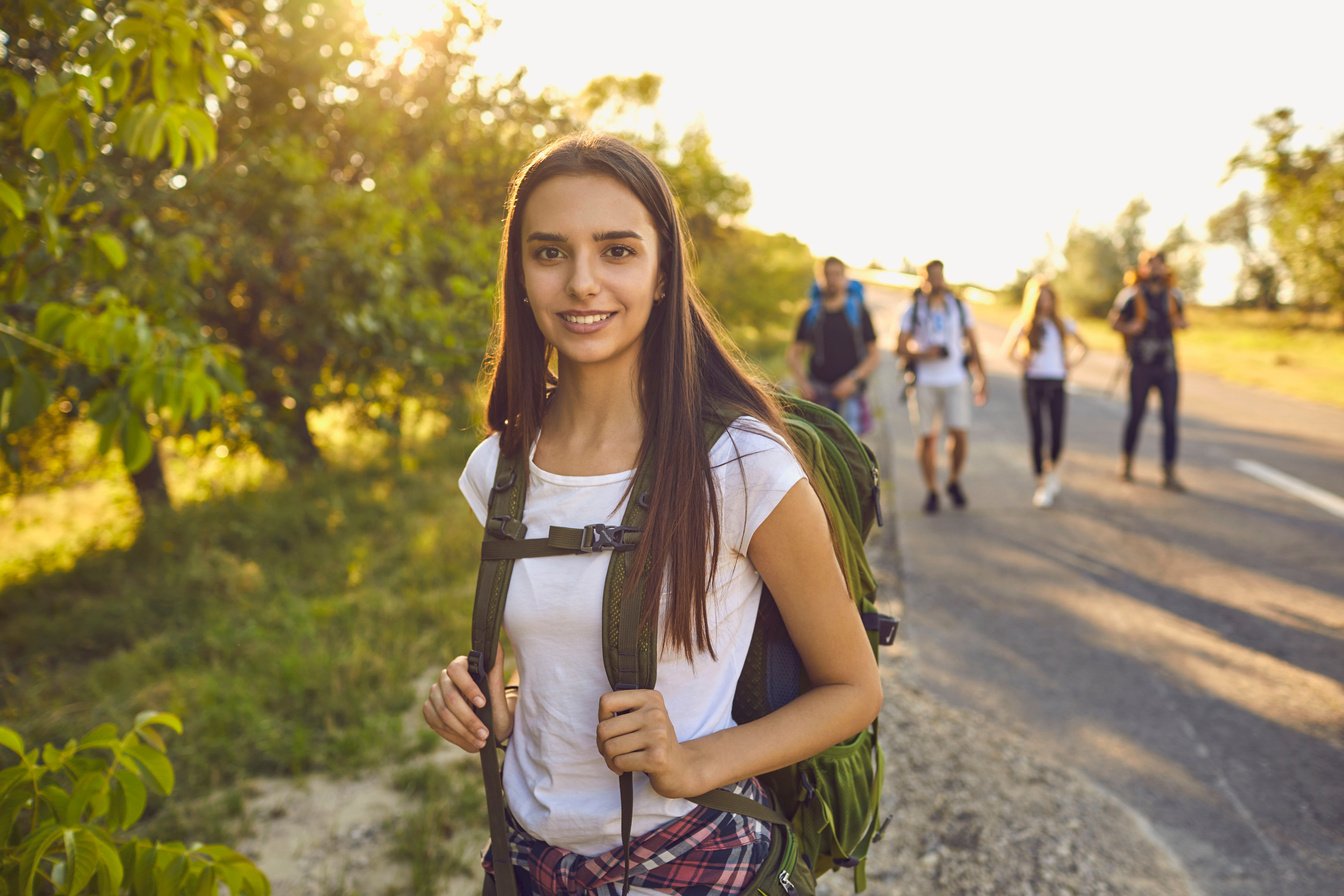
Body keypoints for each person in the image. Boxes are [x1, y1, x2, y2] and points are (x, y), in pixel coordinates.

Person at [421, 133, 882, 895]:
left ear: (663, 271)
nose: (582, 283)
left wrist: (693, 761)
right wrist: (492, 710)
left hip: (692, 855)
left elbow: (854, 689)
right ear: (521, 275)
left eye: (617, 251)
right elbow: (553, 672)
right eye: (549, 253)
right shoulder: (497, 469)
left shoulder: (740, 464)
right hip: (527, 860)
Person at [895, 260, 988, 514]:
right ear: (922, 280)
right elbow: (900, 347)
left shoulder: (958, 307)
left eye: (940, 275)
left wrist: (982, 377)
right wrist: (924, 353)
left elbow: (973, 342)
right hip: (925, 382)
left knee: (959, 433)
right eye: (931, 276)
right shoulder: (913, 309)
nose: (936, 281)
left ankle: (954, 479)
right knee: (927, 437)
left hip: (955, 379)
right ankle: (932, 489)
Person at [1002, 275, 1089, 508]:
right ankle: (1042, 481)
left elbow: (1084, 346)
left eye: (1048, 298)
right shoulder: (1025, 324)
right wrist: (1023, 361)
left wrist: (1070, 363)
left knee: (1057, 434)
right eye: (1041, 299)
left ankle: (1053, 472)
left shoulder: (1062, 324)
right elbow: (1008, 351)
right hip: (1033, 382)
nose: (1045, 304)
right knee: (1038, 433)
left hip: (1056, 382)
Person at [1109, 249, 1188, 491]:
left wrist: (1180, 323)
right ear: (1142, 268)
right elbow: (1114, 321)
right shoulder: (1130, 295)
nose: (1154, 269)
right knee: (1136, 415)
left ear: (1165, 268)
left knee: (1170, 419)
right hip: (1140, 365)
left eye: (1159, 264)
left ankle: (1169, 471)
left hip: (1167, 365)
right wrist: (1130, 327)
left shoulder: (1174, 295)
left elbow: (1184, 322)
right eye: (1149, 265)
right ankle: (1127, 464)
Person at [786, 257, 879, 435]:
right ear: (820, 279)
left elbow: (874, 355)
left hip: (850, 394)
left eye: (837, 274)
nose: (832, 280)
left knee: (850, 455)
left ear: (845, 278)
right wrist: (803, 383)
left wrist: (853, 379)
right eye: (827, 275)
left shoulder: (859, 312)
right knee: (816, 452)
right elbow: (794, 353)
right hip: (818, 394)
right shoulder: (810, 313)